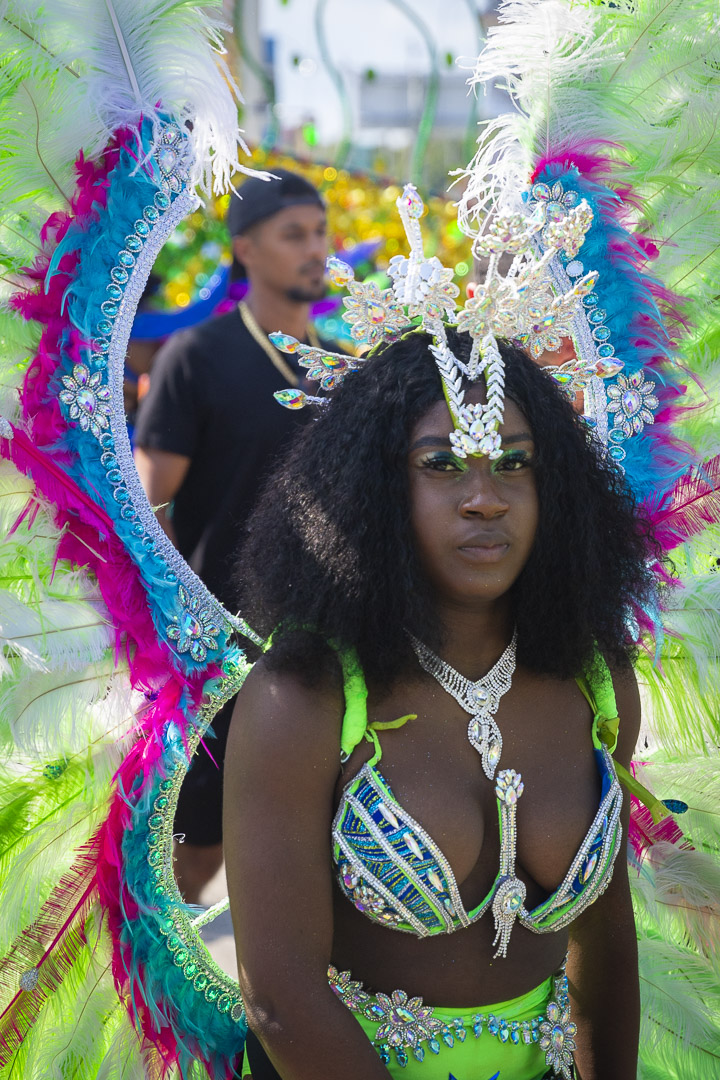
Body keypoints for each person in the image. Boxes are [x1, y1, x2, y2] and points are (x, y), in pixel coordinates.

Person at [223, 327, 653, 1080]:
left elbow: (606, 938)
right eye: (442, 465)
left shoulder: (595, 676)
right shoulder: (306, 698)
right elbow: (281, 996)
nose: (484, 499)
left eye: (515, 464)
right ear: (375, 490)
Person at [133, 168, 335, 904]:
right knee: (196, 860)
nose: (315, 248)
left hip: (328, 652)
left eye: (320, 231)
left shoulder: (350, 367)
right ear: (245, 247)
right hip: (217, 655)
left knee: (326, 853)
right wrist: (164, 633)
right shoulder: (198, 356)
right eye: (294, 234)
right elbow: (142, 505)